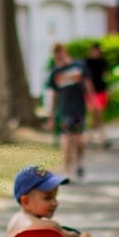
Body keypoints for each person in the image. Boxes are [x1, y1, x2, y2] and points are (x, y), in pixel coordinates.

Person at [46, 43, 90, 179]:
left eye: (60, 54)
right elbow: (53, 94)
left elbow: (88, 85)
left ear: (65, 52)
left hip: (79, 109)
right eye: (56, 55)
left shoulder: (78, 68)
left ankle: (79, 162)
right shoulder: (55, 73)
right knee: (65, 140)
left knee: (79, 140)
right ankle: (68, 171)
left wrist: (92, 102)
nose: (58, 57)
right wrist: (51, 115)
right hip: (64, 110)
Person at [84, 43, 111, 147]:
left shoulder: (103, 62)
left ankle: (100, 137)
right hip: (90, 92)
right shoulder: (87, 62)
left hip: (100, 90)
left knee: (98, 114)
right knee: (91, 114)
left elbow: (106, 76)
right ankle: (91, 136)